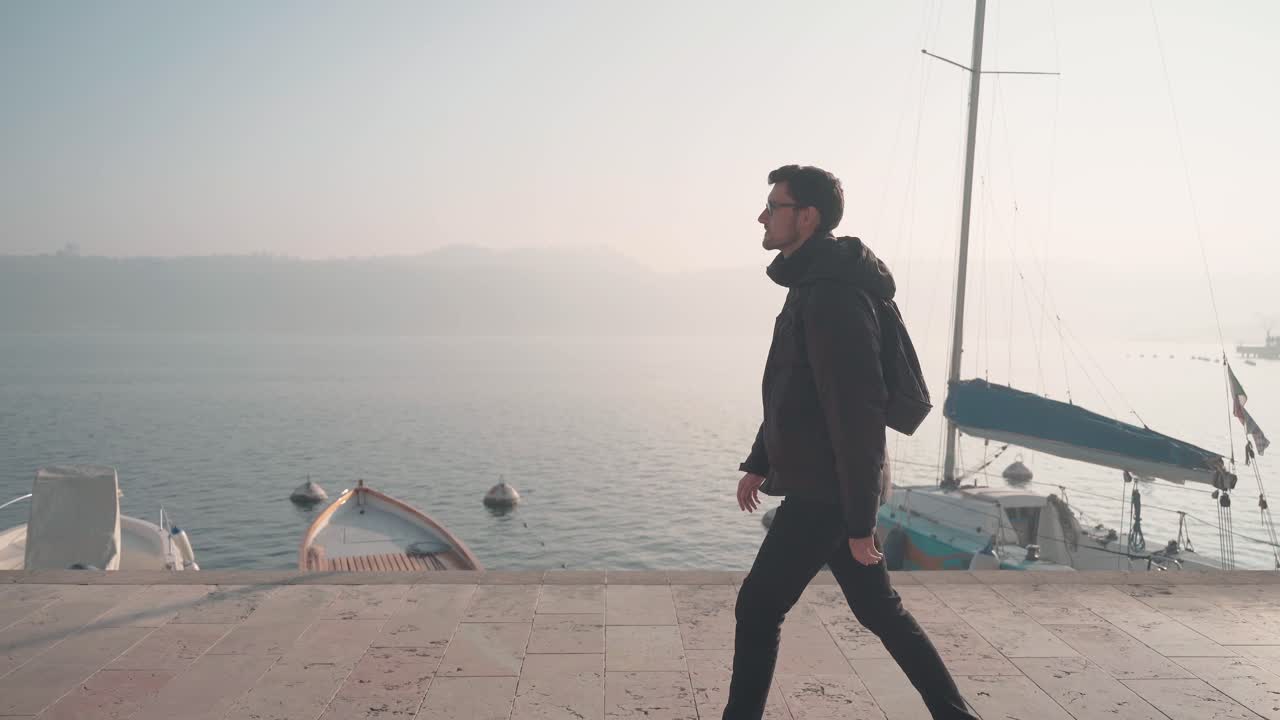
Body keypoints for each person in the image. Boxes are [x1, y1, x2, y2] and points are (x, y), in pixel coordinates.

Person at [723, 164, 977, 719]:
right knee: (879, 610)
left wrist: (860, 521)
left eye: (774, 206)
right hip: (830, 485)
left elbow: (857, 414)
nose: (762, 217)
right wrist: (759, 461)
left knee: (758, 608)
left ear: (806, 217)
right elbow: (794, 390)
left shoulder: (833, 297)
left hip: (826, 493)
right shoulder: (811, 285)